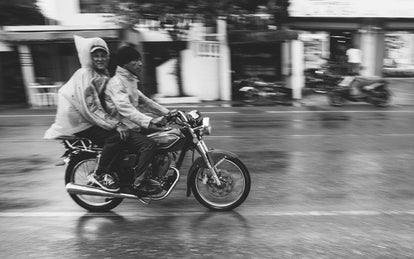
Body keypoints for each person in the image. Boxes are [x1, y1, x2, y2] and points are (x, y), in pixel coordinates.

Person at [44, 36, 129, 192]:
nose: (100, 58)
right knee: (115, 137)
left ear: (108, 56)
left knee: (126, 135)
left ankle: (119, 172)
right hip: (80, 121)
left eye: (103, 55)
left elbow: (108, 102)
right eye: (96, 55)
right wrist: (116, 124)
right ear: (90, 57)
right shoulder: (85, 74)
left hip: (88, 118)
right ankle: (100, 173)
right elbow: (91, 107)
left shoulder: (102, 73)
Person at [104, 45, 170, 189]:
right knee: (149, 144)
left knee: (165, 135)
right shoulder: (116, 83)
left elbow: (146, 102)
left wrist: (168, 113)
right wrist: (151, 120)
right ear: (125, 64)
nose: (140, 63)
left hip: (133, 125)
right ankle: (139, 181)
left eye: (140, 60)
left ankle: (156, 173)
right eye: (136, 60)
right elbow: (126, 110)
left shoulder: (130, 80)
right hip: (122, 128)